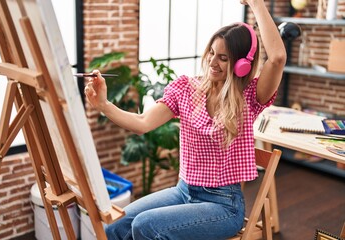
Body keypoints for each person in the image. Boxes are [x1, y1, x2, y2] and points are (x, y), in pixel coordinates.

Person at [84, 0, 286, 239]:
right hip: (184, 191)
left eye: (223, 57)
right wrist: (105, 106)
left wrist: (256, 3)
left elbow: (277, 59)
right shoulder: (186, 89)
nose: (212, 62)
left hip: (224, 204)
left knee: (145, 226)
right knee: (116, 225)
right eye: (212, 52)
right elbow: (142, 123)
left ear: (242, 65)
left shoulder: (250, 96)